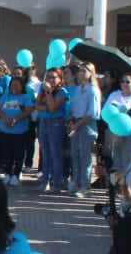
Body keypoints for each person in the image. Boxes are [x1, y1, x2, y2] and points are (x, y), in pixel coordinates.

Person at [66, 63, 101, 197]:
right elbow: (72, 107)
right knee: (75, 154)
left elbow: (92, 113)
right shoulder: (77, 89)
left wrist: (77, 124)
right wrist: (71, 121)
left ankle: (85, 186)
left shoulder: (92, 90)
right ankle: (76, 182)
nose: (81, 73)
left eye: (84, 71)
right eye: (80, 70)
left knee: (85, 157)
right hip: (76, 122)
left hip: (86, 125)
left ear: (91, 73)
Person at [33, 68, 68, 192]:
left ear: (60, 79)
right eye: (48, 77)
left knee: (55, 153)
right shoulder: (42, 89)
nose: (50, 80)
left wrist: (48, 92)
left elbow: (52, 108)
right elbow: (36, 105)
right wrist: (46, 106)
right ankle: (45, 181)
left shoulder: (62, 92)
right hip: (43, 122)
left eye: (54, 77)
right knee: (45, 153)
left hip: (56, 123)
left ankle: (57, 183)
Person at [0, 76, 34, 186]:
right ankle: (7, 173)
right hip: (5, 130)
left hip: (19, 131)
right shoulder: (5, 96)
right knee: (7, 153)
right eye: (12, 85)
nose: (14, 87)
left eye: (17, 85)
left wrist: (15, 119)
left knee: (19, 154)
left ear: (22, 86)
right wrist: (5, 118)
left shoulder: (25, 97)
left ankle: (16, 174)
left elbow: (28, 110)